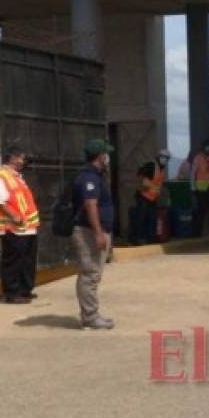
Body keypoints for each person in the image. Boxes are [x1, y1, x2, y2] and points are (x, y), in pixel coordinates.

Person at [72, 138, 116, 330]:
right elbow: (91, 205)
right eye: (106, 154)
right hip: (88, 232)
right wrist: (98, 233)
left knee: (93, 274)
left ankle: (91, 314)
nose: (108, 157)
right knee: (89, 274)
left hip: (95, 230)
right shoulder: (89, 177)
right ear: (100, 156)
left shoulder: (96, 175)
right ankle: (90, 317)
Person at [0, 145, 40, 304]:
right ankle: (12, 292)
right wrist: (14, 216)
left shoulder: (17, 177)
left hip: (26, 228)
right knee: (13, 261)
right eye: (20, 157)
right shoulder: (2, 177)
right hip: (14, 228)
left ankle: (25, 290)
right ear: (11, 158)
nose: (22, 161)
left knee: (27, 260)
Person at [131, 148, 171, 245]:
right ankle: (137, 239)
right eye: (163, 157)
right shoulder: (152, 165)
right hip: (143, 196)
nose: (164, 159)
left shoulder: (161, 169)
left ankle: (150, 238)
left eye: (166, 158)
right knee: (141, 217)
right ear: (158, 157)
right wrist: (146, 186)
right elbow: (141, 176)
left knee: (151, 218)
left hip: (152, 198)